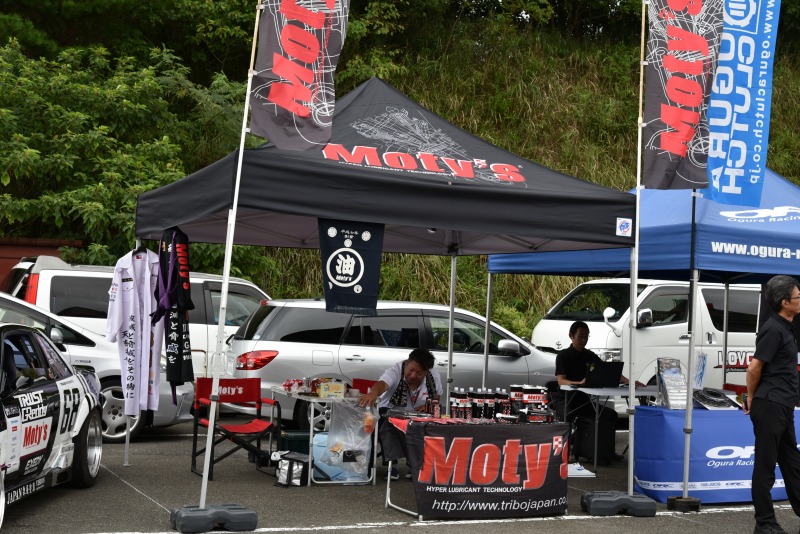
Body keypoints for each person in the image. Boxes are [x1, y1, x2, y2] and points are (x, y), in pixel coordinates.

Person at [745, 275, 800, 534]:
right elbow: (754, 369)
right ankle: (765, 524)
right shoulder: (773, 329)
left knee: (792, 464)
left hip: (783, 405)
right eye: (798, 297)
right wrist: (751, 397)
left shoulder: (786, 326)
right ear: (784, 302)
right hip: (770, 405)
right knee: (765, 467)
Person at [550, 321, 642, 460]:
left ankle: (608, 452)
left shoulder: (590, 355)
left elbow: (608, 370)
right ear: (571, 336)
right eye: (580, 336)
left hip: (584, 401)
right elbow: (561, 380)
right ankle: (563, 455)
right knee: (566, 416)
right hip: (564, 399)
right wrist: (578, 383)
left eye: (586, 337)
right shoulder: (563, 356)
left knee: (611, 415)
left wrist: (629, 381)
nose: (584, 340)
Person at [357, 348, 443, 479]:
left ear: (426, 372)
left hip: (416, 416)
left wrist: (428, 406)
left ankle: (416, 465)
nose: (413, 375)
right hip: (390, 413)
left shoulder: (433, 376)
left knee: (432, 421)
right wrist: (373, 393)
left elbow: (436, 397)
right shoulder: (395, 371)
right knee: (385, 421)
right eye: (411, 370)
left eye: (419, 373)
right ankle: (391, 465)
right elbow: (382, 384)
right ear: (407, 362)